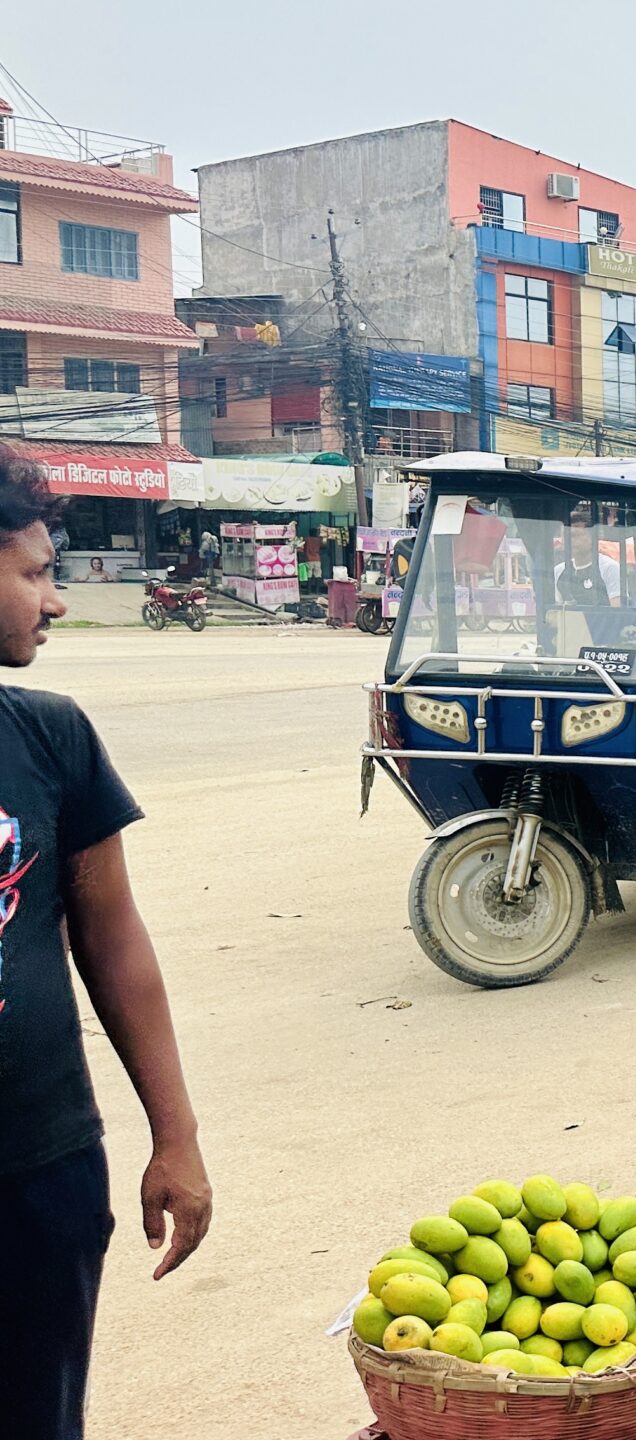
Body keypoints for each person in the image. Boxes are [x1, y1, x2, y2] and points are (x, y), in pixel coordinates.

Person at [0, 450, 212, 1437]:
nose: (57, 603)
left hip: (39, 1173)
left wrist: (176, 1137)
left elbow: (113, 940)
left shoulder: (50, 738)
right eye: (35, 574)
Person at [553, 512, 621, 606]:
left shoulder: (610, 568)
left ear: (592, 537)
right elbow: (557, 613)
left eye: (575, 535)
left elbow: (618, 613)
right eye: (565, 536)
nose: (569, 540)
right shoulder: (558, 571)